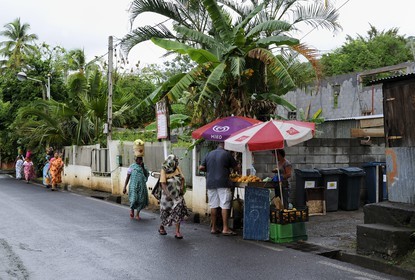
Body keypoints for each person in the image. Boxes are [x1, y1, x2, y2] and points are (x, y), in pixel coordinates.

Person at [199, 142, 238, 236]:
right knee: (224, 204)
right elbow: (236, 167)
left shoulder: (209, 154)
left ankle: (213, 228)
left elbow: (201, 167)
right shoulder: (227, 154)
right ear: (225, 146)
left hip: (211, 183)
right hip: (223, 182)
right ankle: (225, 228)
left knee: (213, 205)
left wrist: (210, 170)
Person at [158, 154, 188, 239]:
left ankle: (177, 232)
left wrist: (182, 187)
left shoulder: (177, 168)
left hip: (177, 195)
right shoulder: (164, 170)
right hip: (167, 197)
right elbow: (163, 183)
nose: (176, 163)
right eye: (175, 161)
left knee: (177, 211)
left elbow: (182, 178)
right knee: (166, 213)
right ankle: (162, 227)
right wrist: (168, 194)